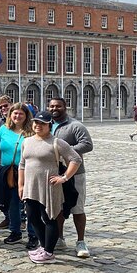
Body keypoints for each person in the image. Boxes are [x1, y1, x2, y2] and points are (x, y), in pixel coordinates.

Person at [19, 111, 82, 264]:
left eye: (42, 123)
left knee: (50, 217)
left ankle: (49, 252)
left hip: (49, 186)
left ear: (49, 125)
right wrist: (21, 185)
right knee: (33, 217)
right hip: (31, 186)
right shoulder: (26, 141)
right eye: (36, 122)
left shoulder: (56, 142)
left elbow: (75, 159)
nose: (38, 126)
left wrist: (65, 177)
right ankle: (44, 245)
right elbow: (22, 164)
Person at [49, 97, 94, 258]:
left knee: (77, 208)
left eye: (58, 106)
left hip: (75, 173)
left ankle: (81, 241)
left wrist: (65, 151)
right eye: (52, 106)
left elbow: (87, 144)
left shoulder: (75, 126)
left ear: (65, 107)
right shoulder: (46, 124)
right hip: (54, 173)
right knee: (58, 208)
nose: (55, 108)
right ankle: (60, 238)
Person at [0, 103, 35, 247]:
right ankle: (15, 231)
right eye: (15, 113)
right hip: (8, 172)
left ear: (26, 115)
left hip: (28, 171)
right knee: (12, 203)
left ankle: (33, 234)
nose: (17, 116)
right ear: (10, 115)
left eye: (21, 114)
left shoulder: (31, 130)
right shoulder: (3, 129)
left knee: (30, 204)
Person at [0, 95, 13, 228]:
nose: (3, 109)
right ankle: (8, 216)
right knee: (0, 192)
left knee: (18, 194)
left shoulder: (21, 118)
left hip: (18, 164)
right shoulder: (0, 123)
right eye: (0, 107)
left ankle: (20, 219)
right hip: (3, 164)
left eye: (6, 105)